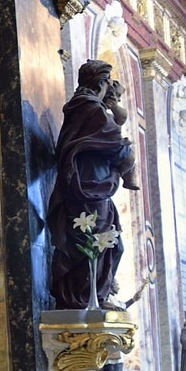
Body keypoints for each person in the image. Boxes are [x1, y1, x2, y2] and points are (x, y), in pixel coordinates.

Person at [48, 59, 134, 309]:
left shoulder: (85, 107)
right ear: (101, 82)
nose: (110, 86)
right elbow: (114, 142)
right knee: (97, 241)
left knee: (109, 243)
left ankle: (95, 295)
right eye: (108, 82)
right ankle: (84, 297)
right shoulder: (90, 108)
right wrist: (126, 155)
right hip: (89, 184)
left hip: (94, 183)